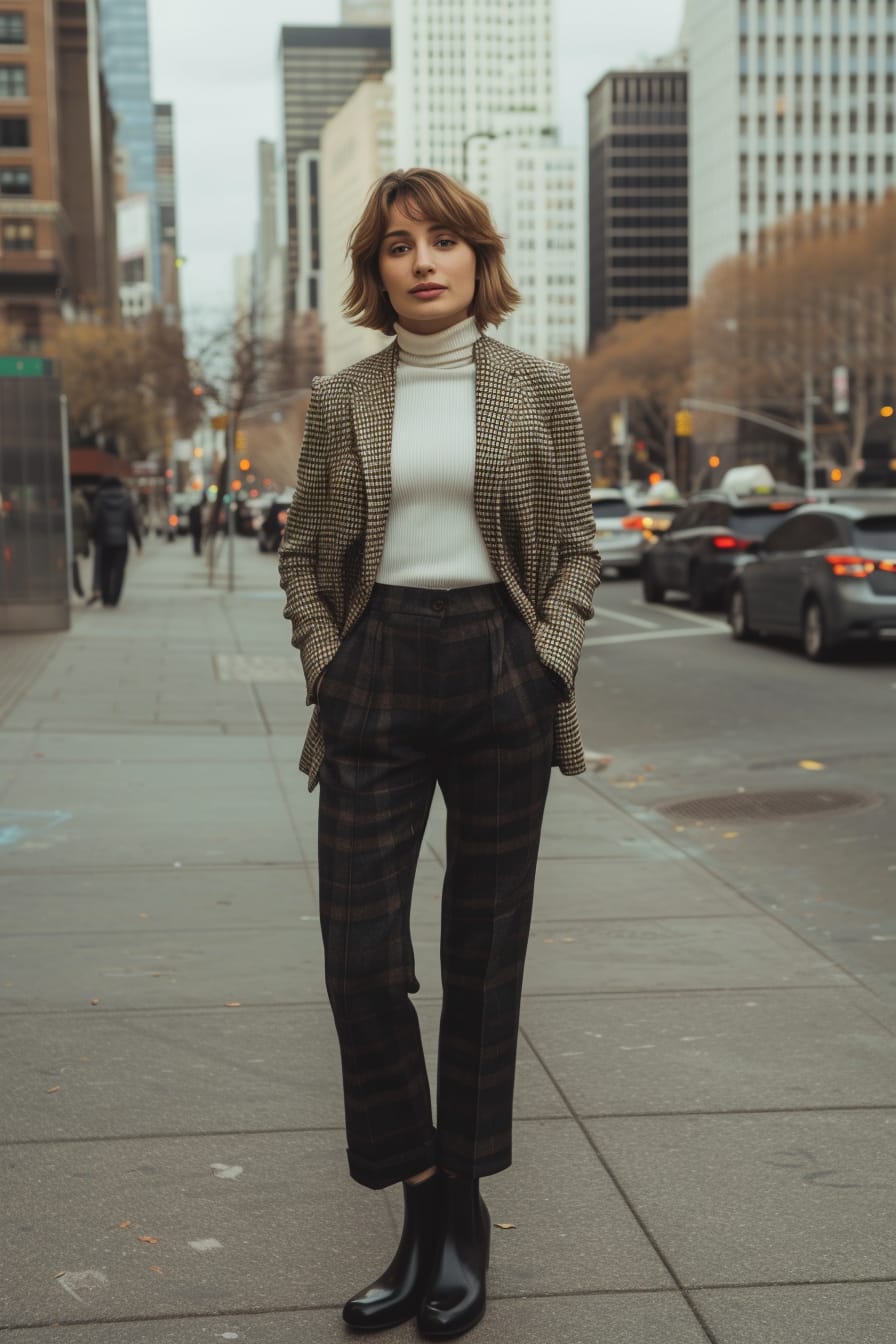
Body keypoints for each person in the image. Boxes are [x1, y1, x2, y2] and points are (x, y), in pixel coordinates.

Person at [278, 168, 600, 1340]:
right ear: (376, 272)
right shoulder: (341, 399)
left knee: (482, 953)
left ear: (476, 258)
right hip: (376, 675)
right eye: (399, 245)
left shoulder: (535, 390)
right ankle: (416, 1195)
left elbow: (571, 545)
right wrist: (331, 663)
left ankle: (458, 1220)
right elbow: (306, 554)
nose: (422, 261)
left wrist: (545, 658)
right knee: (361, 958)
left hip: (498, 669)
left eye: (443, 242)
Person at [91, 475, 142, 607]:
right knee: (119, 570)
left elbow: (95, 519)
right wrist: (138, 541)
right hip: (121, 541)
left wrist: (93, 536)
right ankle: (115, 598)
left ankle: (106, 597)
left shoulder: (100, 498)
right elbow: (132, 521)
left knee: (105, 569)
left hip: (104, 540)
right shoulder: (126, 499)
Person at [70, 487, 91, 598]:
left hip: (66, 536)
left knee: (70, 562)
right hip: (78, 537)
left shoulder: (65, 500)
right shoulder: (81, 502)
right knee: (73, 562)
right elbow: (87, 521)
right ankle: (77, 587)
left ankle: (76, 587)